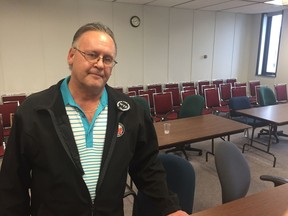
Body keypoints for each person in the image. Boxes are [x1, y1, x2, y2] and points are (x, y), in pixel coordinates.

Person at [0, 22, 189, 216]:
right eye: (92, 55)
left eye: (108, 59)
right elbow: (12, 183)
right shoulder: (35, 111)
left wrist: (170, 208)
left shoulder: (130, 112)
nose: (100, 64)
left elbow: (147, 167)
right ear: (71, 56)